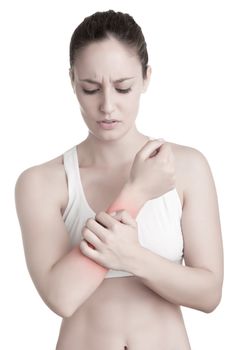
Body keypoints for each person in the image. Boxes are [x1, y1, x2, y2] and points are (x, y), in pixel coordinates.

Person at [14, 9, 224, 350]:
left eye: (123, 88)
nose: (107, 106)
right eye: (90, 88)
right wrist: (137, 191)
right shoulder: (41, 183)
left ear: (146, 78)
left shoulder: (187, 168)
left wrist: (130, 257)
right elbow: (62, 296)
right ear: (72, 81)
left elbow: (209, 293)